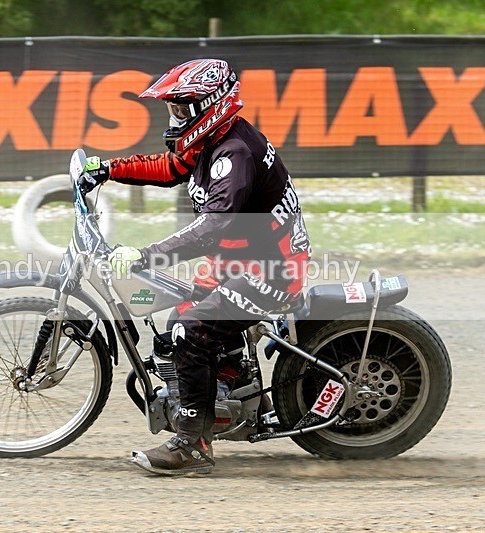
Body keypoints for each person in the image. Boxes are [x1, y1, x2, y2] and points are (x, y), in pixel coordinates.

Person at [78, 59, 311, 476]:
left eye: (182, 108)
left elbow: (213, 228)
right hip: (242, 257)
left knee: (190, 329)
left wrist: (146, 254)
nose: (175, 116)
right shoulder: (213, 140)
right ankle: (236, 392)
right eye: (173, 108)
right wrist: (108, 169)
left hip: (272, 270)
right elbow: (169, 169)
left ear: (211, 104)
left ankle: (193, 443)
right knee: (177, 315)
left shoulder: (234, 154)